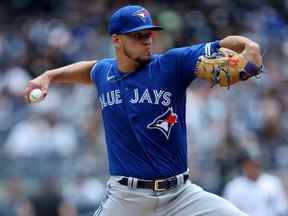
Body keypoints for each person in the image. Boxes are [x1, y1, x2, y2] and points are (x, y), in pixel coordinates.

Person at [24, 5, 263, 216]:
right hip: (127, 199)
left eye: (149, 34)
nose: (147, 40)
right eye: (138, 36)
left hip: (181, 195)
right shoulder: (104, 72)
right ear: (116, 40)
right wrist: (49, 75)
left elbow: (222, 44)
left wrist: (249, 46)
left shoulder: (171, 64)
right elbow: (87, 69)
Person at [223, 151, 288, 216]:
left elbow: (281, 208)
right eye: (249, 165)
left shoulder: (272, 182)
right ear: (243, 166)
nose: (252, 168)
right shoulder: (234, 186)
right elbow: (229, 211)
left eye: (255, 165)